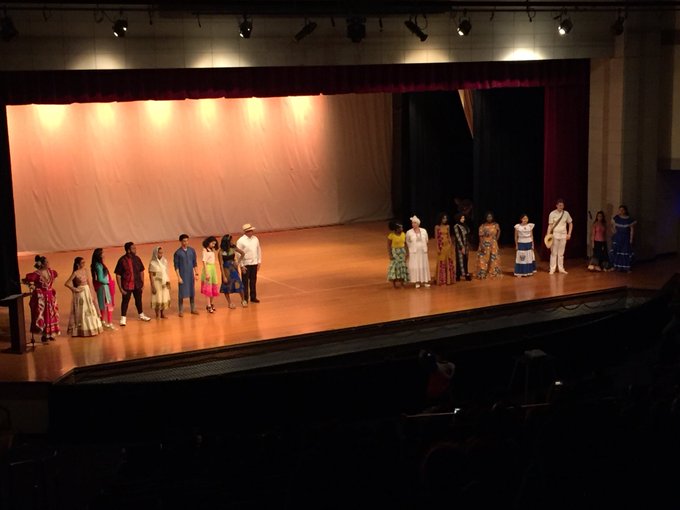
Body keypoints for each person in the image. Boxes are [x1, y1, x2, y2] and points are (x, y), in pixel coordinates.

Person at [22, 255, 60, 343]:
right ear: (42, 264)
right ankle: (45, 334)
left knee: (51, 314)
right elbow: (29, 281)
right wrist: (32, 286)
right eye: (46, 262)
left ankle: (51, 333)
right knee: (44, 314)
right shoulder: (36, 274)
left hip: (50, 296)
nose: (48, 263)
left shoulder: (51, 272)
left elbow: (54, 277)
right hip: (42, 298)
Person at [114, 242, 152, 326]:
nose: (135, 250)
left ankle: (141, 314)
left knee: (138, 300)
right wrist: (120, 288)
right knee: (125, 301)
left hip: (137, 284)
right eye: (133, 248)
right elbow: (118, 275)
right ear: (128, 250)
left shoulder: (137, 259)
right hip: (127, 285)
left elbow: (141, 271)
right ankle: (123, 318)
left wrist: (142, 283)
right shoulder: (122, 260)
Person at [65, 256, 103, 337]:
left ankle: (91, 328)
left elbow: (90, 284)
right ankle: (80, 330)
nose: (84, 264)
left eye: (84, 262)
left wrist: (92, 294)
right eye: (82, 263)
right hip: (80, 293)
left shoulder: (86, 270)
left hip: (87, 291)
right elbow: (67, 283)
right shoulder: (75, 273)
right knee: (82, 310)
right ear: (78, 264)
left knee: (89, 309)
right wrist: (74, 289)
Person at [218, 234, 247, 309]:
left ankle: (243, 300)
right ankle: (229, 303)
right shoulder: (220, 252)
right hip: (226, 270)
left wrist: (238, 262)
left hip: (233, 269)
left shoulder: (233, 248)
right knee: (227, 286)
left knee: (238, 283)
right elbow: (221, 264)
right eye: (231, 240)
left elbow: (242, 253)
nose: (232, 241)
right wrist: (223, 276)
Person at [173, 234, 199, 317]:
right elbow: (176, 266)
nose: (186, 242)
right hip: (183, 275)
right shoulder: (177, 253)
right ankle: (180, 310)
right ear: (180, 241)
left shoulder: (192, 251)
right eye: (184, 241)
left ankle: (193, 308)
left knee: (192, 291)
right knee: (181, 293)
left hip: (190, 275)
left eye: (187, 240)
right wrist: (178, 277)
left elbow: (195, 263)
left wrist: (196, 273)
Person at [91, 248, 117, 330]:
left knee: (102, 305)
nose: (104, 255)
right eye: (102, 253)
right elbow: (100, 278)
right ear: (99, 255)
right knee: (108, 304)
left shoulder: (96, 264)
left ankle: (102, 322)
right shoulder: (99, 265)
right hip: (104, 287)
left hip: (101, 287)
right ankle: (109, 323)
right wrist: (108, 281)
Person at [546, 198, 573, 274]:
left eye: (562, 205)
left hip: (563, 235)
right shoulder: (552, 213)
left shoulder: (566, 213)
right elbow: (550, 225)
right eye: (560, 205)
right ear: (556, 205)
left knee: (561, 253)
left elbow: (570, 223)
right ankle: (552, 268)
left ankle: (561, 268)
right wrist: (548, 235)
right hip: (555, 234)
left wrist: (569, 234)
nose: (561, 207)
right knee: (554, 253)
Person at [237, 223, 262, 303]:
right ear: (246, 232)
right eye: (250, 231)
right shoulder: (241, 241)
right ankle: (245, 298)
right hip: (245, 264)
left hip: (254, 263)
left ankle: (253, 297)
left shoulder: (255, 239)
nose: (252, 232)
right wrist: (241, 265)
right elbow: (238, 254)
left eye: (252, 230)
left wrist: (259, 261)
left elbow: (258, 250)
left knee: (253, 280)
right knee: (245, 282)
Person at [405, 215, 431, 288]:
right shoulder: (409, 232)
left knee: (423, 265)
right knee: (416, 266)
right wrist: (411, 248)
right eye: (412, 223)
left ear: (418, 223)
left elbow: (426, 240)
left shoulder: (423, 230)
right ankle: (417, 282)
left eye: (415, 223)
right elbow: (407, 241)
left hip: (422, 251)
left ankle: (425, 281)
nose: (413, 224)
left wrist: (423, 247)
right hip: (414, 252)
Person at [610, 205, 636, 272]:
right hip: (618, 237)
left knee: (625, 252)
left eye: (622, 210)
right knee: (617, 251)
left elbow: (632, 230)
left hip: (625, 238)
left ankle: (626, 267)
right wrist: (614, 233)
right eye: (620, 210)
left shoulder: (629, 219)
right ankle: (616, 266)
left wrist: (631, 239)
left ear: (625, 210)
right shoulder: (616, 218)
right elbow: (613, 227)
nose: (621, 211)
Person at [477, 211, 502, 279]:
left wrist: (496, 239)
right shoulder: (482, 226)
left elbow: (499, 231)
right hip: (485, 243)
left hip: (493, 244)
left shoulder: (495, 225)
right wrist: (482, 244)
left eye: (490, 217)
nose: (489, 218)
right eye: (488, 217)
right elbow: (480, 236)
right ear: (486, 218)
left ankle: (493, 271)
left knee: (493, 258)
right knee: (484, 258)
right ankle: (483, 272)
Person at [148, 246, 171, 318]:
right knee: (157, 298)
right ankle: (157, 314)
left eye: (161, 253)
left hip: (164, 283)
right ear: (155, 253)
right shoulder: (152, 263)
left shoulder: (164, 261)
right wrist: (152, 286)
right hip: (156, 283)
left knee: (163, 298)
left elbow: (166, 272)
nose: (161, 254)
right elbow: (151, 275)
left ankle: (162, 313)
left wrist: (168, 282)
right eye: (159, 253)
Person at [434, 212, 456, 286]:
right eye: (443, 218)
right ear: (440, 219)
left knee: (448, 261)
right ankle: (441, 280)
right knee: (441, 261)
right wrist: (437, 248)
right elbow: (436, 238)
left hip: (448, 246)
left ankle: (449, 280)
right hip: (441, 246)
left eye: (446, 218)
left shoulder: (448, 226)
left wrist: (451, 245)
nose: (445, 220)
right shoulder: (437, 227)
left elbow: (449, 236)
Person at [200, 236, 220, 313]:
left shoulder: (211, 250)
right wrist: (207, 273)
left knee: (213, 287)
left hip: (213, 269)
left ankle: (211, 303)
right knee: (208, 288)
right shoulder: (205, 250)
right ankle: (208, 305)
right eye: (212, 243)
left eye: (214, 244)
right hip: (208, 269)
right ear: (208, 242)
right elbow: (204, 262)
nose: (213, 245)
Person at [387, 221, 409, 288]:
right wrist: (390, 254)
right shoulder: (391, 236)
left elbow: (406, 244)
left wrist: (407, 252)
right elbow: (388, 246)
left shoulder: (403, 234)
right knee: (395, 267)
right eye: (400, 228)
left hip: (402, 251)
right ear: (396, 229)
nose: (402, 228)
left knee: (402, 266)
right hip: (395, 252)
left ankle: (402, 282)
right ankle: (394, 284)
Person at [452, 212, 472, 281]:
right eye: (462, 218)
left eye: (463, 218)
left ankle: (465, 273)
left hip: (466, 245)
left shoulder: (464, 226)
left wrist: (467, 246)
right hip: (460, 246)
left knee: (465, 260)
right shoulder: (456, 226)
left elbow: (467, 234)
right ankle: (460, 274)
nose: (463, 219)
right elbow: (458, 237)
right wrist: (462, 247)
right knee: (460, 260)